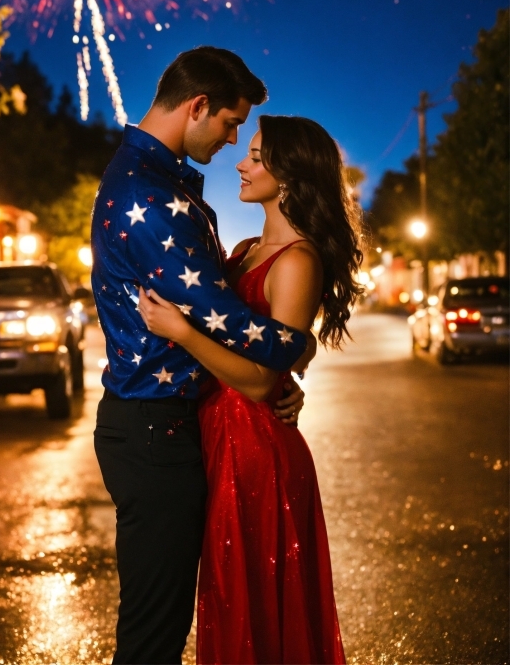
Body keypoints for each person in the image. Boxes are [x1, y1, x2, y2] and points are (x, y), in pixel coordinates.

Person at [91, 48, 313, 664]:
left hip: (164, 427)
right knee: (153, 634)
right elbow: (227, 318)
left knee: (160, 623)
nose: (233, 140)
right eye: (229, 123)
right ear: (197, 106)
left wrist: (272, 378)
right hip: (154, 432)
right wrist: (297, 348)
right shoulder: (150, 195)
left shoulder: (152, 179)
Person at [139, 114, 363, 664]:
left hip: (258, 452)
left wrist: (183, 335)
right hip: (221, 439)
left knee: (260, 602)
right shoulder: (241, 251)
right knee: (229, 595)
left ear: (290, 174)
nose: (241, 162)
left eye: (258, 157)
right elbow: (281, 345)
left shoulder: (299, 260)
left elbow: (263, 380)